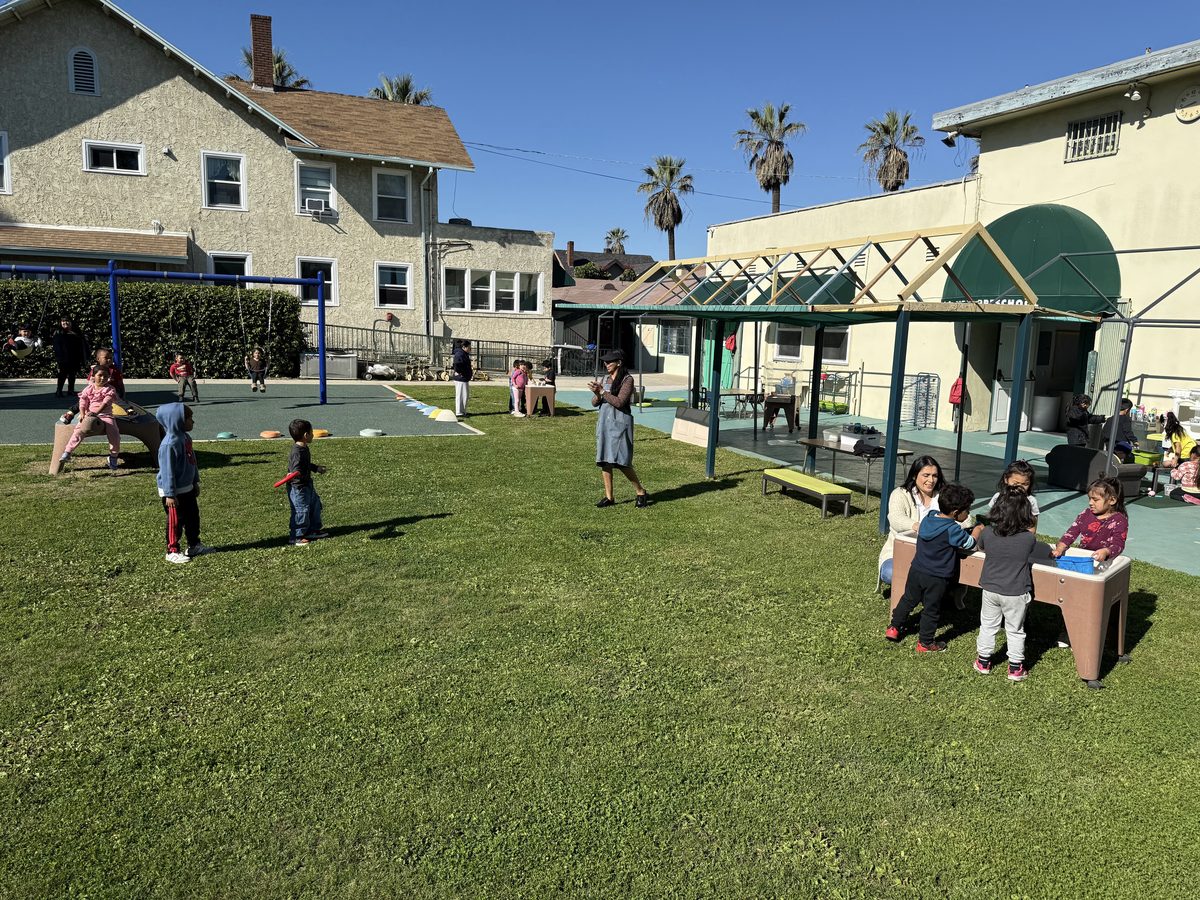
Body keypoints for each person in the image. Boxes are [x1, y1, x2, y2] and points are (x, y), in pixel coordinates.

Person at [974, 485, 1053, 681]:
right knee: (1015, 630)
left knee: (988, 625)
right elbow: (1037, 551)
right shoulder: (1027, 539)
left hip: (990, 588)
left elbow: (981, 546)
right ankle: (1015, 667)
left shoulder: (987, 533)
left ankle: (983, 661)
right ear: (1025, 515)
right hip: (1016, 592)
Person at [885, 482, 977, 653]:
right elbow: (970, 543)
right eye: (967, 510)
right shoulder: (953, 529)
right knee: (931, 609)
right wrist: (978, 530)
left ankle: (894, 627)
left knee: (908, 599)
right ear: (956, 513)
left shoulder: (928, 518)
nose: (969, 513)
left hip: (917, 570)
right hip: (937, 577)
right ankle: (925, 642)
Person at [590, 348, 649, 508]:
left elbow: (620, 402)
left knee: (622, 461)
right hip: (605, 423)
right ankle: (609, 497)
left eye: (610, 361)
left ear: (619, 363)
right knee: (604, 461)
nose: (606, 363)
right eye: (605, 361)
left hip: (620, 423)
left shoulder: (627, 380)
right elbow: (595, 403)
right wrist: (597, 393)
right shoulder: (606, 379)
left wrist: (602, 392)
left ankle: (640, 491)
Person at [155, 402, 211, 563]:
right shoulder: (169, 444)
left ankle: (194, 545)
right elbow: (167, 471)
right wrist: (169, 494)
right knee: (176, 521)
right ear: (176, 420)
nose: (192, 421)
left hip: (187, 488)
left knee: (193, 517)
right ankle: (172, 550)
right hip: (173, 492)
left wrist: (195, 482)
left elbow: (192, 462)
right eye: (189, 418)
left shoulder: (185, 438)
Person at [878, 456, 947, 585]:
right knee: (890, 573)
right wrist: (919, 527)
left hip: (936, 555)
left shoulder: (944, 496)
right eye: (926, 475)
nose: (931, 480)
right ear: (915, 475)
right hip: (900, 553)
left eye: (934, 476)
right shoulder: (900, 494)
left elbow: (964, 517)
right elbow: (895, 519)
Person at [1053, 476, 1128, 563]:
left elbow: (1118, 545)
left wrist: (1106, 551)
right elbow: (1070, 534)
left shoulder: (1119, 521)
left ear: (1112, 500)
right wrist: (1060, 548)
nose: (1090, 503)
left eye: (1095, 500)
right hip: (1085, 558)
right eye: (1089, 498)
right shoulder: (1086, 514)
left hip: (1104, 562)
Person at [58, 367, 121, 470]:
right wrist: (83, 414)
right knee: (78, 431)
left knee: (114, 433)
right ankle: (67, 452)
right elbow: (82, 401)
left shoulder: (109, 389)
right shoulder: (89, 389)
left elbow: (106, 403)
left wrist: (96, 413)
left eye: (105, 376)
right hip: (89, 416)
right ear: (93, 377)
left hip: (105, 416)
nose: (102, 378)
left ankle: (113, 457)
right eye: (100, 375)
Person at [287, 418, 329, 546]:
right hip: (298, 488)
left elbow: (305, 465)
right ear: (306, 435)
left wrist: (316, 468)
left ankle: (312, 530)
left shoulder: (304, 448)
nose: (312, 435)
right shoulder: (297, 452)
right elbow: (295, 469)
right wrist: (292, 474)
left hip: (307, 484)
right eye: (311, 432)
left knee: (315, 506)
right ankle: (297, 536)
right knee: (301, 510)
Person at [60, 348, 124, 424]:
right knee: (83, 400)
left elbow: (120, 384)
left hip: (109, 394)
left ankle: (130, 411)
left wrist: (122, 395)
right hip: (97, 393)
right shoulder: (95, 370)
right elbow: (90, 384)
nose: (109, 360)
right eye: (106, 358)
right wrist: (90, 393)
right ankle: (70, 414)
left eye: (111, 358)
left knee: (119, 401)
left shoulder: (115, 371)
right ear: (98, 359)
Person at [986, 459, 1040, 524]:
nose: (1020, 487)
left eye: (1025, 484)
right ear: (1006, 479)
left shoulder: (1031, 501)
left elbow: (1032, 525)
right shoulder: (998, 496)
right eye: (1016, 483)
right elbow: (990, 517)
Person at [51, 316, 89, 397]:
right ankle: (59, 390)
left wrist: (82, 357)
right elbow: (57, 347)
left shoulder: (76, 333)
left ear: (71, 322)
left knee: (72, 374)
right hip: (63, 358)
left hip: (74, 357)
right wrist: (59, 357)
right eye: (63, 321)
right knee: (62, 374)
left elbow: (81, 346)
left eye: (67, 321)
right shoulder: (58, 333)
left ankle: (70, 390)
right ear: (60, 323)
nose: (65, 323)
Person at [1100, 398, 1138, 463]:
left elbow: (1104, 432)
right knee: (1128, 458)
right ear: (1127, 410)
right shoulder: (1126, 419)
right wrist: (1134, 440)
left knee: (1111, 461)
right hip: (1120, 445)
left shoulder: (1110, 419)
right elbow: (1127, 431)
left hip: (1109, 444)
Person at [451, 339, 473, 417]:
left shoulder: (464, 354)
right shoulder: (460, 354)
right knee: (460, 395)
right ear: (464, 347)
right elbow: (457, 365)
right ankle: (459, 412)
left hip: (464, 378)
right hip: (461, 378)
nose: (470, 349)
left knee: (465, 395)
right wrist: (461, 373)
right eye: (469, 348)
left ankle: (463, 411)